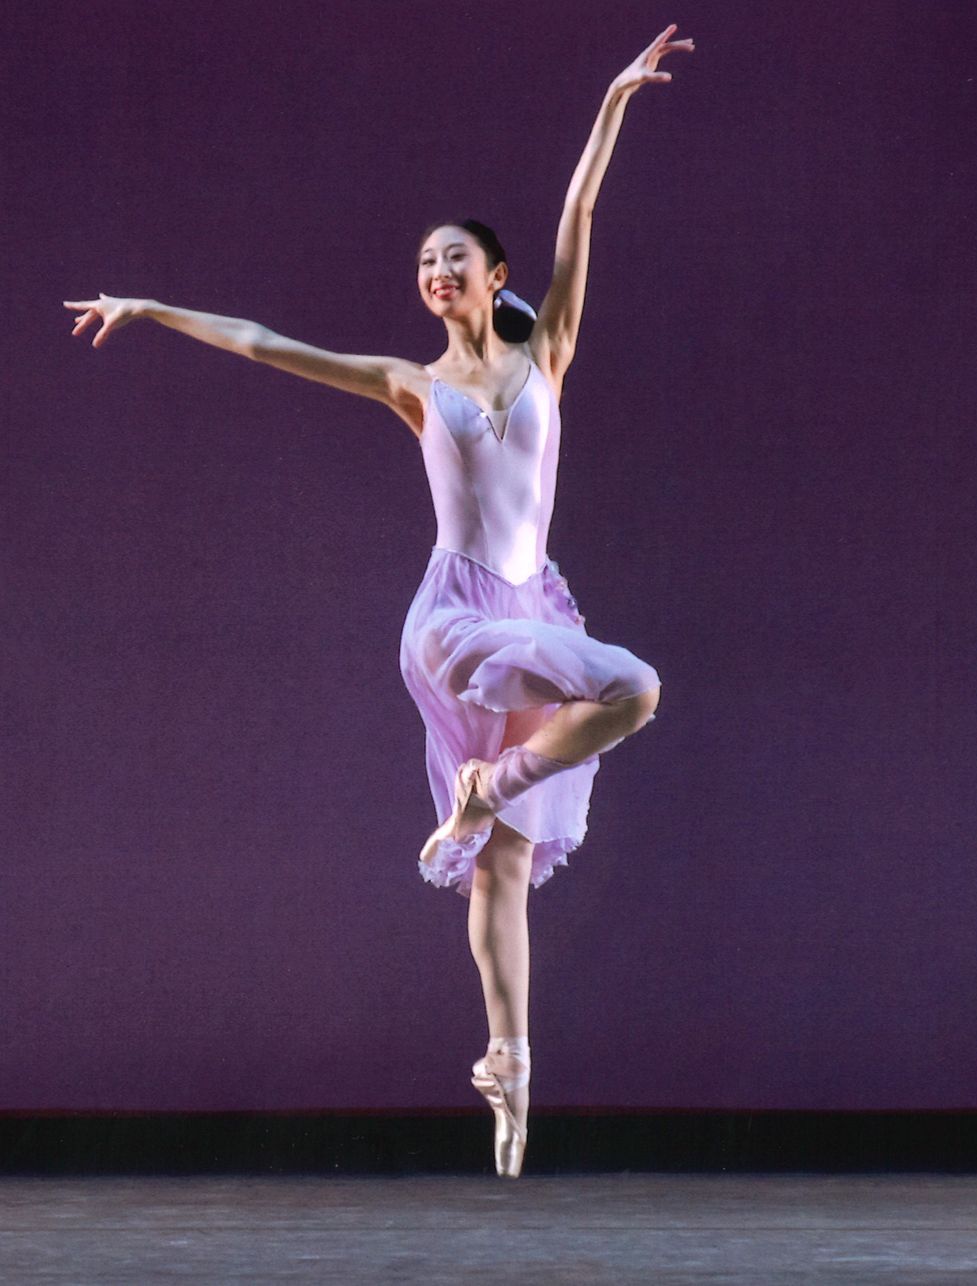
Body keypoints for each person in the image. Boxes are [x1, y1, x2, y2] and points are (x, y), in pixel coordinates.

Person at [63, 23, 694, 1178]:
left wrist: (611, 102)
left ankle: (508, 1058)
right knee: (615, 700)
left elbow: (579, 215)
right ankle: (484, 789)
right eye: (424, 264)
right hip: (454, 621)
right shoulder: (410, 385)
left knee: (524, 830)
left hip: (531, 605)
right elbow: (263, 343)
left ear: (495, 276)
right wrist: (151, 307)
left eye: (455, 257)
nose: (437, 272)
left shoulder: (546, 346)